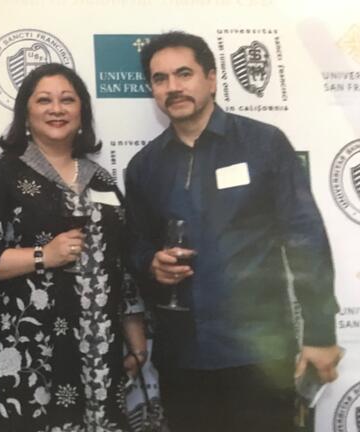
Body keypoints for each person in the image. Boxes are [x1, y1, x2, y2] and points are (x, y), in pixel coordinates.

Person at [125, 31, 342, 432]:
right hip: (182, 361)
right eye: (160, 79)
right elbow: (136, 247)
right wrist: (150, 263)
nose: (173, 87)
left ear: (211, 77)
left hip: (260, 356)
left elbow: (306, 241)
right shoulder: (144, 166)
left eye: (184, 73)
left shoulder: (263, 144)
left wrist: (320, 333)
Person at [0, 63, 147, 432]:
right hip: (30, 352)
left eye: (67, 100)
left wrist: (135, 333)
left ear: (82, 113)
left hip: (100, 352)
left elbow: (121, 260)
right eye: (44, 100)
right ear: (25, 112)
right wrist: (44, 256)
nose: (56, 109)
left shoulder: (101, 179)